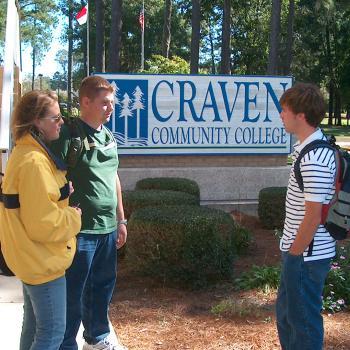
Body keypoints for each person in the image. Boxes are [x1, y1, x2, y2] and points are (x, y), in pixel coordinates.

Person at [0, 90, 82, 350]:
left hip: (30, 257)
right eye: (56, 117)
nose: (61, 123)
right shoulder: (34, 161)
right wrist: (73, 216)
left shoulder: (26, 154)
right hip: (42, 261)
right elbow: (43, 224)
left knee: (34, 328)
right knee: (52, 334)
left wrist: (60, 193)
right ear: (37, 121)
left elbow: (33, 204)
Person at [51, 76, 128, 350]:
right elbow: (48, 176)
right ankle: (64, 343)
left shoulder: (108, 136)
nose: (111, 108)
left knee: (102, 288)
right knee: (73, 292)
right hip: (79, 230)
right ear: (86, 102)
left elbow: (113, 177)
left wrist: (121, 219)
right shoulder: (68, 136)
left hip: (108, 228)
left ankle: (96, 338)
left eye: (112, 102)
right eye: (105, 103)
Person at [276, 83, 336, 350]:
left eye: (284, 110)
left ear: (300, 115)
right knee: (289, 319)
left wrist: (294, 255)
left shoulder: (316, 158)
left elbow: (312, 218)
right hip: (299, 253)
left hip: (306, 257)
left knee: (304, 326)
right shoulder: (307, 149)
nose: (281, 115)